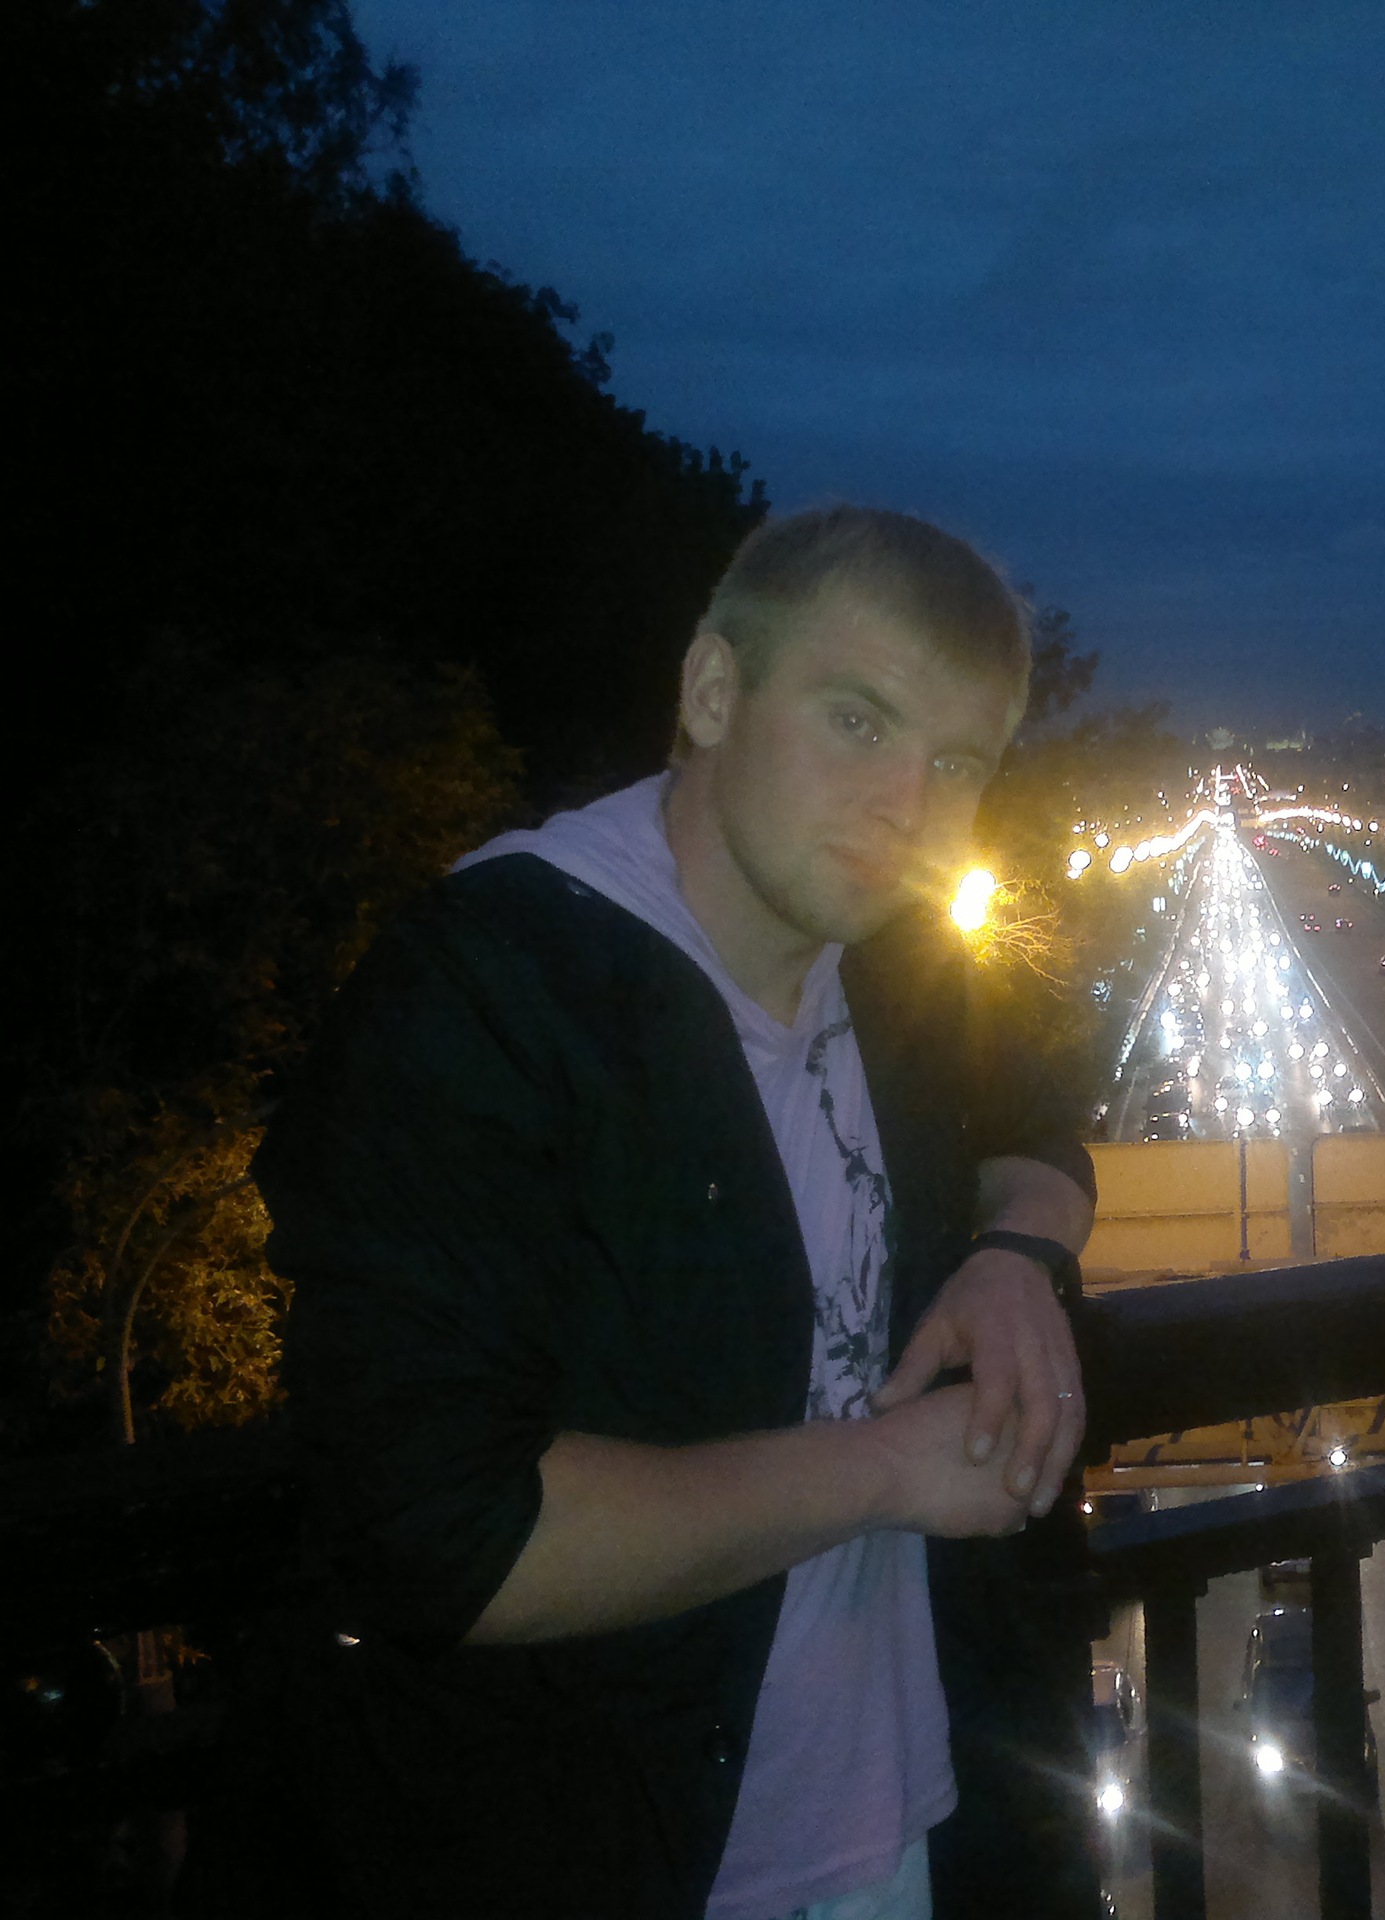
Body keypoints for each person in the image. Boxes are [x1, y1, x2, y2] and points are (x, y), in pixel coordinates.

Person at [202, 506, 1100, 1919]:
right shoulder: (492, 992)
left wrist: (1015, 1256)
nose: (909, 807)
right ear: (714, 692)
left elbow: (1035, 1132)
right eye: (858, 722)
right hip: (592, 1848)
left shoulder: (899, 964)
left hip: (903, 1831)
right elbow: (450, 1536)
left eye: (957, 762)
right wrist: (883, 1469)